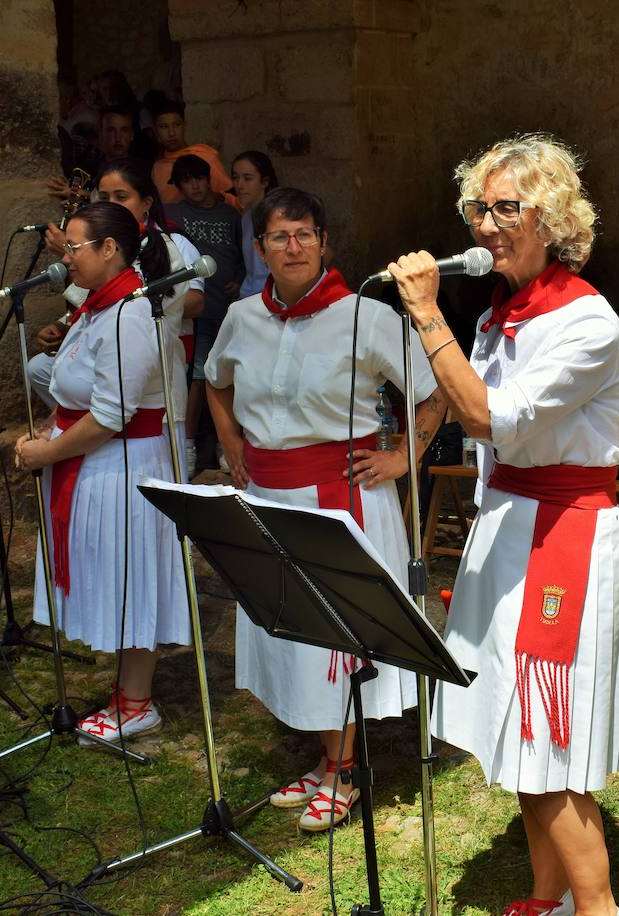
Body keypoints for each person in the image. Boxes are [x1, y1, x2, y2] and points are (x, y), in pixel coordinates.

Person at [388, 134, 619, 916]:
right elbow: (469, 420)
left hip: (562, 533)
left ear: (554, 218)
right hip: (509, 527)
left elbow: (492, 418)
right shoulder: (506, 313)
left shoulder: (583, 322)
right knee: (518, 732)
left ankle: (597, 911)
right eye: (478, 208)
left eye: (507, 208)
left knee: (550, 747)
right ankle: (548, 897)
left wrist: (428, 316)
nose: (486, 225)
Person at [203, 187, 445, 831]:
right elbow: (215, 380)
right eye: (279, 236)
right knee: (293, 632)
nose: (294, 246)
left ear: (324, 242)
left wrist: (402, 459)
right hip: (269, 494)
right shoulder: (241, 317)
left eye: (305, 233)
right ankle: (327, 757)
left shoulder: (366, 316)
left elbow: (434, 390)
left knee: (334, 634)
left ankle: (343, 770)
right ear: (259, 249)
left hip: (343, 498)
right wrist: (233, 447)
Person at [13, 200, 190, 743]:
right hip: (94, 464)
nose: (64, 257)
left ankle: (137, 704)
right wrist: (49, 428)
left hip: (126, 469)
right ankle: (124, 694)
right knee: (112, 574)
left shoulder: (132, 312)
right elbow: (75, 390)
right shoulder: (96, 306)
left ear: (109, 249)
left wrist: (47, 454)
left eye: (73, 247)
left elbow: (113, 415)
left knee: (132, 578)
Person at [30, 159, 204, 441]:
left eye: (121, 197)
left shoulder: (163, 248)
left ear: (146, 202)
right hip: (100, 371)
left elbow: (135, 313)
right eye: (103, 196)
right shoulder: (100, 249)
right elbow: (93, 304)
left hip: (146, 391)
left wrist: (73, 248)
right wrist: (64, 326)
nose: (111, 204)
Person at [165, 154, 245, 474]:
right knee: (199, 377)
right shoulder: (173, 215)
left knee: (236, 374)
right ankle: (188, 445)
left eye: (198, 178)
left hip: (229, 308)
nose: (194, 186)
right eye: (186, 180)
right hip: (199, 314)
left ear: (209, 179)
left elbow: (245, 253)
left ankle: (233, 441)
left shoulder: (230, 214)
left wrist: (239, 279)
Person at [150, 100, 236, 208]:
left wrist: (216, 196)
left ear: (184, 126)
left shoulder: (204, 156)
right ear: (155, 131)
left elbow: (230, 200)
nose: (171, 133)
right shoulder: (157, 168)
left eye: (177, 125)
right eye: (163, 127)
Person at [230, 150, 278, 299]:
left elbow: (324, 253)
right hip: (249, 298)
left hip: (274, 299)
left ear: (265, 182)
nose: (239, 185)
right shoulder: (246, 218)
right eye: (235, 178)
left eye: (247, 178)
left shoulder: (279, 215)